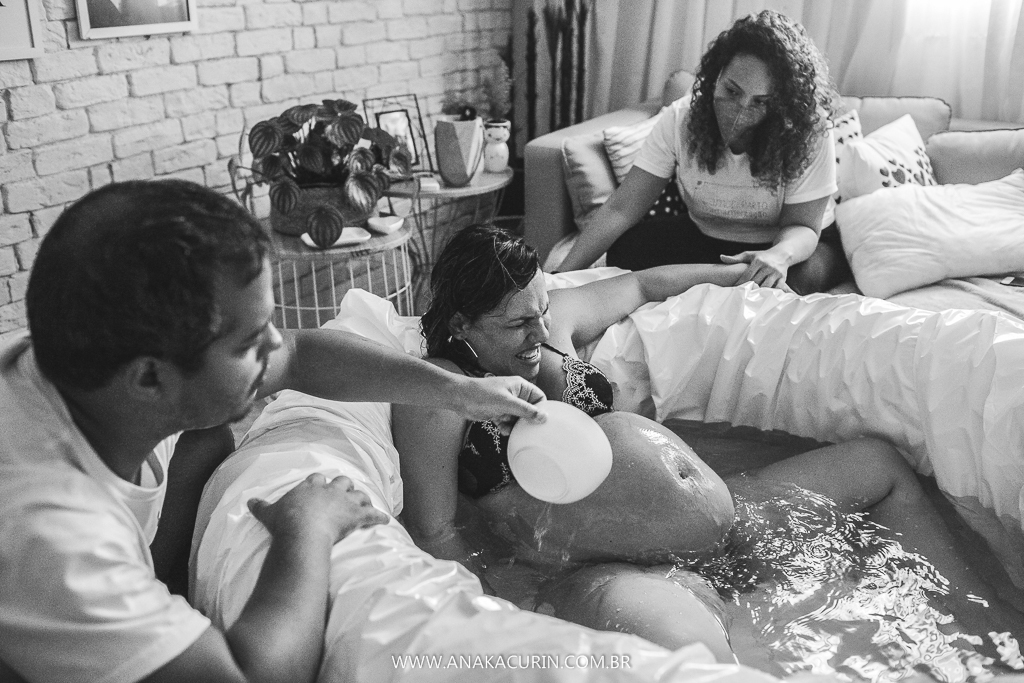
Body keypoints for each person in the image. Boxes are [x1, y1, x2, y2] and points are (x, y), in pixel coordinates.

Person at [393, 223, 1024, 660]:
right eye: (517, 323)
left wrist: (746, 274)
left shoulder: (549, 328)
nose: (539, 331)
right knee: (693, 656)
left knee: (878, 467)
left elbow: (641, 285)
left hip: (726, 516)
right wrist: (514, 605)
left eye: (541, 310)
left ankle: (977, 630)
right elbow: (438, 532)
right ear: (462, 323)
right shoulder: (441, 394)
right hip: (597, 566)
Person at [0, 180, 546, 683]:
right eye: (249, 341)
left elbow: (303, 356)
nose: (274, 345)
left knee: (207, 439)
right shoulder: (59, 540)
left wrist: (460, 392)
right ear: (149, 378)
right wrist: (305, 530)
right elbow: (249, 677)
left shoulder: (86, 363)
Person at [556, 10, 851, 295]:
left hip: (791, 246)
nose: (741, 112)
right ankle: (730, 280)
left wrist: (777, 256)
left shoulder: (807, 130)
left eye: (761, 102)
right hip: (708, 236)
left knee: (783, 284)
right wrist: (558, 277)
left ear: (784, 103)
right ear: (715, 75)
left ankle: (726, 281)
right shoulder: (681, 119)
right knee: (626, 249)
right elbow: (621, 209)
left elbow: (802, 227)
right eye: (732, 91)